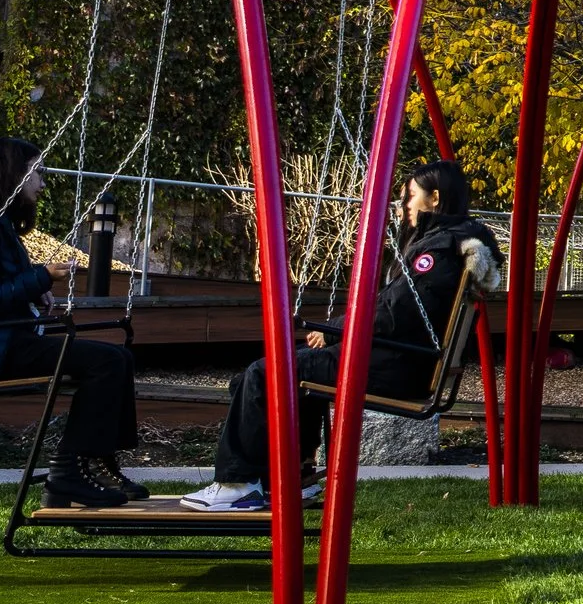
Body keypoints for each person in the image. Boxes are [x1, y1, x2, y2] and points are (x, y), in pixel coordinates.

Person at [186, 159, 497, 511]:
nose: (402, 205)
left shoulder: (437, 252)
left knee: (264, 372)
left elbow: (395, 313)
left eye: (409, 196)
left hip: (392, 364)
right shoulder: (454, 243)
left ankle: (237, 482)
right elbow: (396, 308)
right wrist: (337, 330)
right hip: (402, 361)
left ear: (435, 198)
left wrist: (334, 331)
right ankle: (290, 477)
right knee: (270, 376)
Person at [0, 137, 141, 509]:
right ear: (10, 173)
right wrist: (40, 278)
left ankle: (93, 464)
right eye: (36, 171)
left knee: (118, 358)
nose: (41, 182)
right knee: (106, 362)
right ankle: (69, 472)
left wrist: (30, 291)